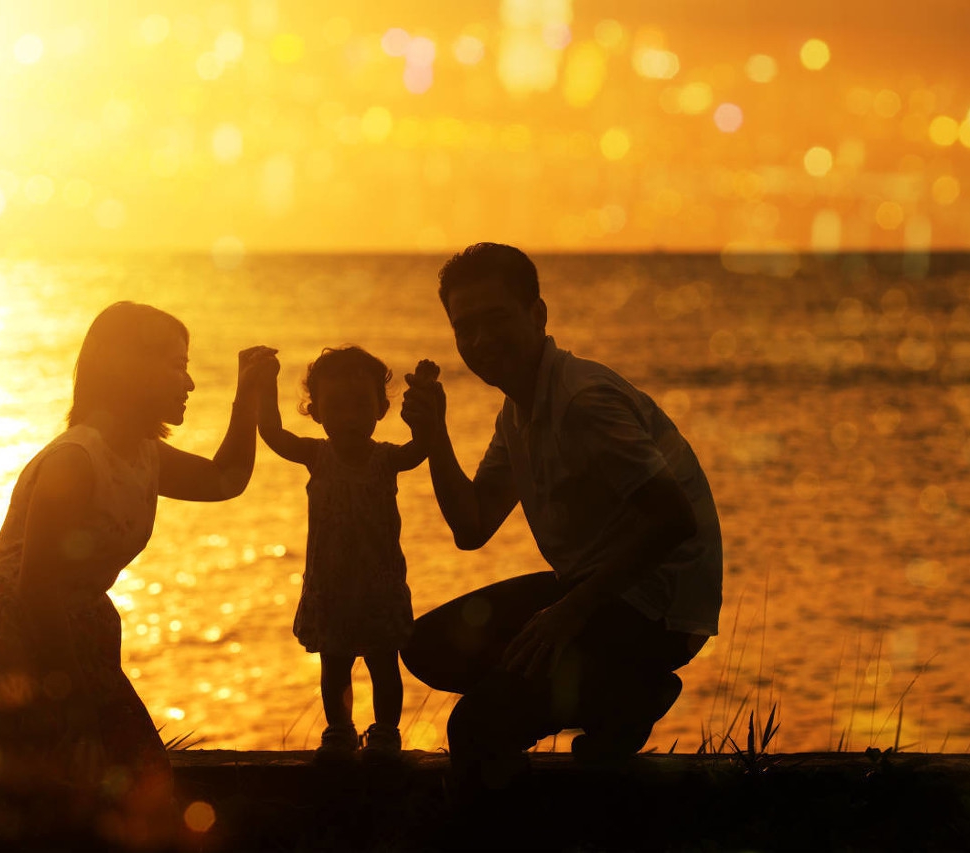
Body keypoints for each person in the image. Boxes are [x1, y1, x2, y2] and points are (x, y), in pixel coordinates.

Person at [400, 243, 723, 788]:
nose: (479, 341)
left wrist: (567, 614)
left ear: (537, 314)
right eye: (465, 328)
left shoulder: (583, 401)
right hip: (592, 594)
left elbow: (674, 520)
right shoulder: (520, 409)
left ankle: (624, 689)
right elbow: (473, 525)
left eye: (496, 319)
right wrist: (434, 436)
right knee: (426, 647)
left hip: (656, 614)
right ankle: (616, 695)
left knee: (476, 727)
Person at [0, 301, 277, 844]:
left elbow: (226, 479)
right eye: (177, 365)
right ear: (129, 368)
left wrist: (247, 394)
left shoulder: (142, 453)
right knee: (48, 800)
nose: (191, 382)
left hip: (76, 623)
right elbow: (36, 591)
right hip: (14, 633)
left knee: (136, 780)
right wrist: (74, 705)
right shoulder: (75, 461)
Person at [258, 346, 428, 761]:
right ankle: (339, 729)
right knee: (334, 666)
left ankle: (386, 731)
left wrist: (424, 399)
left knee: (384, 665)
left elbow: (422, 446)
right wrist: (263, 385)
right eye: (335, 407)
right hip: (330, 589)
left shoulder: (387, 459)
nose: (350, 417)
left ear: (381, 408)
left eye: (360, 405)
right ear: (315, 412)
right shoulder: (317, 456)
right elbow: (273, 434)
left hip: (379, 588)